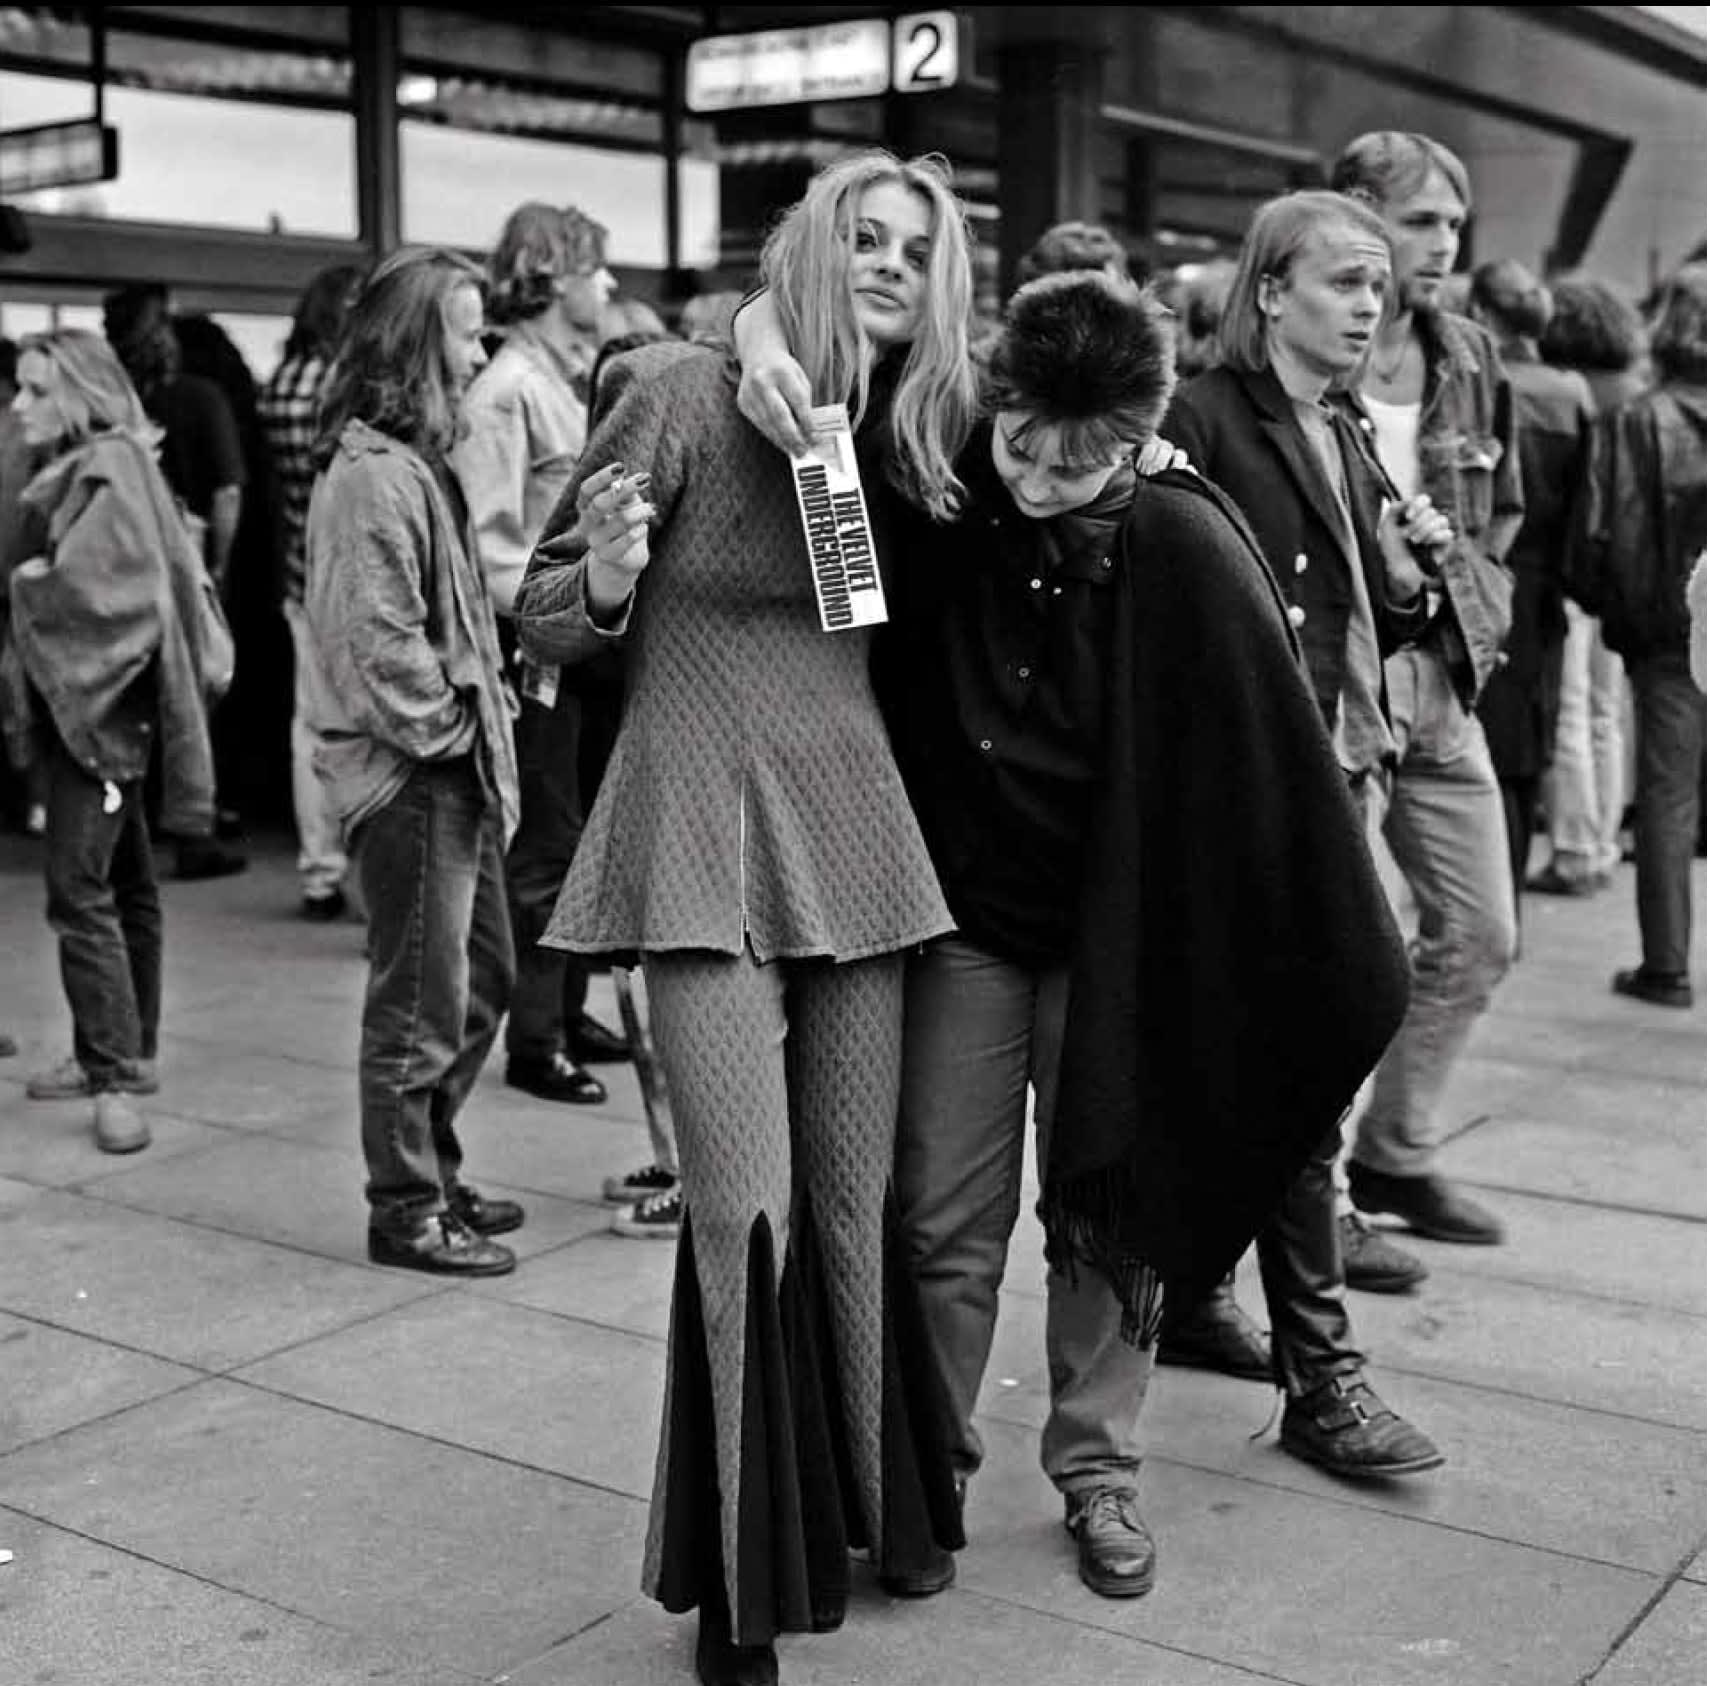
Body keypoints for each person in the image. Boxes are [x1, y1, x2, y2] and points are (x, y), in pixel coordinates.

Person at [513, 149, 976, 1686]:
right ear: (809, 244)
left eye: (919, 243)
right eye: (864, 234)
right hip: (697, 824)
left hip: (854, 830)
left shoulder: (915, 426)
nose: (892, 260)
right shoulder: (673, 388)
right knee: (746, 1211)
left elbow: (1075, 429)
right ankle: (739, 1585)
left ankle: (872, 1510)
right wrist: (608, 571)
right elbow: (540, 610)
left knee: (856, 1207)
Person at [302, 248, 523, 1278]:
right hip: (413, 777)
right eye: (468, 333)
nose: (483, 352)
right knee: (423, 999)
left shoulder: (408, 464)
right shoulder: (374, 478)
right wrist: (456, 734)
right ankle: (407, 1207)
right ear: (413, 348)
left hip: (443, 768)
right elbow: (378, 647)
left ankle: (428, 1172)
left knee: (478, 981)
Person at [1328, 131, 1522, 1249]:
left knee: (1482, 930)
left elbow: (1508, 506)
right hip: (1340, 682)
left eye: (1455, 224)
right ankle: (1325, 1200)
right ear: (1355, 211)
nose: (1444, 245)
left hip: (1440, 675)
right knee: (1348, 953)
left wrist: (1467, 596)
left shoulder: (1467, 351)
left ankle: (1395, 1152)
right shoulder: (1305, 336)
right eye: (1421, 221)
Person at [1, 330, 218, 1154]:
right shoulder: (110, 463)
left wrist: (29, 585)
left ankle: (114, 1070)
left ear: (81, 394)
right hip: (111, 714)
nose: (19, 405)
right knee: (126, 886)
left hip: (95, 717)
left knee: (78, 890)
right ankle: (128, 1050)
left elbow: (109, 597)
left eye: (34, 389)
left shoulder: (105, 469)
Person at [453, 202, 628, 1109]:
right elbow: (490, 547)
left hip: (579, 647)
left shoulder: (554, 380)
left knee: (575, 837)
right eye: (597, 269)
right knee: (545, 848)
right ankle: (536, 1035)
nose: (610, 287)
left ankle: (562, 1007)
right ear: (555, 274)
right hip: (540, 656)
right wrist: (563, 607)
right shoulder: (508, 392)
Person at [1568, 264, 1707, 1008]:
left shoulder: (1636, 421)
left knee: (1666, 797)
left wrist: (1618, 614)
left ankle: (1668, 964)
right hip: (1677, 628)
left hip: (1671, 635)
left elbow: (1601, 538)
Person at [102, 283, 249, 882]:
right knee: (197, 695)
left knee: (139, 696)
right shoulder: (201, 397)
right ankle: (195, 828)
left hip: (126, 566)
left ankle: (136, 827)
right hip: (188, 562)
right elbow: (228, 490)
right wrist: (219, 564)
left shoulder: (112, 401)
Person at [1465, 260, 1596, 930]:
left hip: (1482, 579)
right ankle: (1505, 906)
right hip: (1543, 592)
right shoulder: (1571, 393)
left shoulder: (1479, 383)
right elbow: (1588, 506)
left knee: (1479, 750)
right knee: (1525, 756)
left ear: (1484, 312)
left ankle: (1487, 912)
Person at [1530, 275, 1651, 895]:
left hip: (1578, 570)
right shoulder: (1635, 390)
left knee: (1572, 710)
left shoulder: (1570, 391)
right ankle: (1602, 841)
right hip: (1627, 576)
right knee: (1608, 712)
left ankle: (1575, 849)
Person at [258, 260, 366, 920]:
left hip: (299, 573)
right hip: (350, 575)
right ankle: (360, 871)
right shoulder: (346, 389)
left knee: (310, 729)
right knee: (361, 728)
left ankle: (319, 869)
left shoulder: (280, 385)